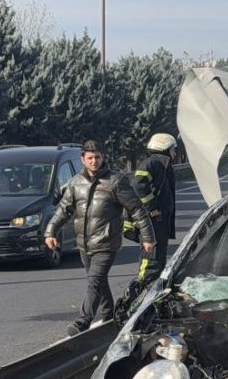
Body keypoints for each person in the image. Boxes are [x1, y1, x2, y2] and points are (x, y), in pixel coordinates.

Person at [45, 140, 154, 336]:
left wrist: (147, 237)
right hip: (84, 243)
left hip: (107, 242)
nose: (94, 161)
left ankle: (82, 321)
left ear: (103, 157)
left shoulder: (116, 181)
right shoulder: (75, 183)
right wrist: (50, 232)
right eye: (90, 158)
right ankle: (110, 318)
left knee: (95, 280)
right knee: (99, 281)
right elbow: (63, 210)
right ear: (82, 160)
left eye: (97, 157)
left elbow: (137, 210)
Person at [132, 133, 178, 283]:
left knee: (158, 260)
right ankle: (142, 289)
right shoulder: (151, 164)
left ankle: (153, 289)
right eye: (172, 149)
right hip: (153, 221)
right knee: (151, 261)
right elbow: (137, 185)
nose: (175, 153)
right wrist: (152, 207)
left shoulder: (163, 165)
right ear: (164, 148)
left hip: (161, 220)